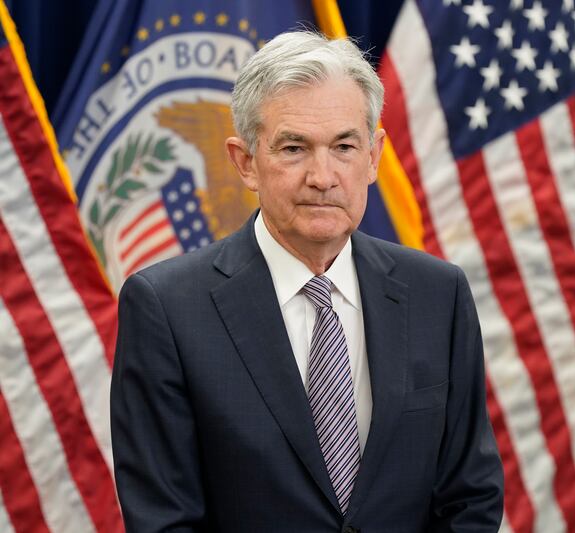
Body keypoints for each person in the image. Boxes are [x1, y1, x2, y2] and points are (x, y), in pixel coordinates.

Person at [110, 30, 503, 532]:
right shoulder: (165, 309)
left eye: (344, 146)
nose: (323, 175)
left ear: (374, 155)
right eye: (294, 148)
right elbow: (165, 521)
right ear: (245, 162)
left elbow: (471, 497)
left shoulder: (438, 294)